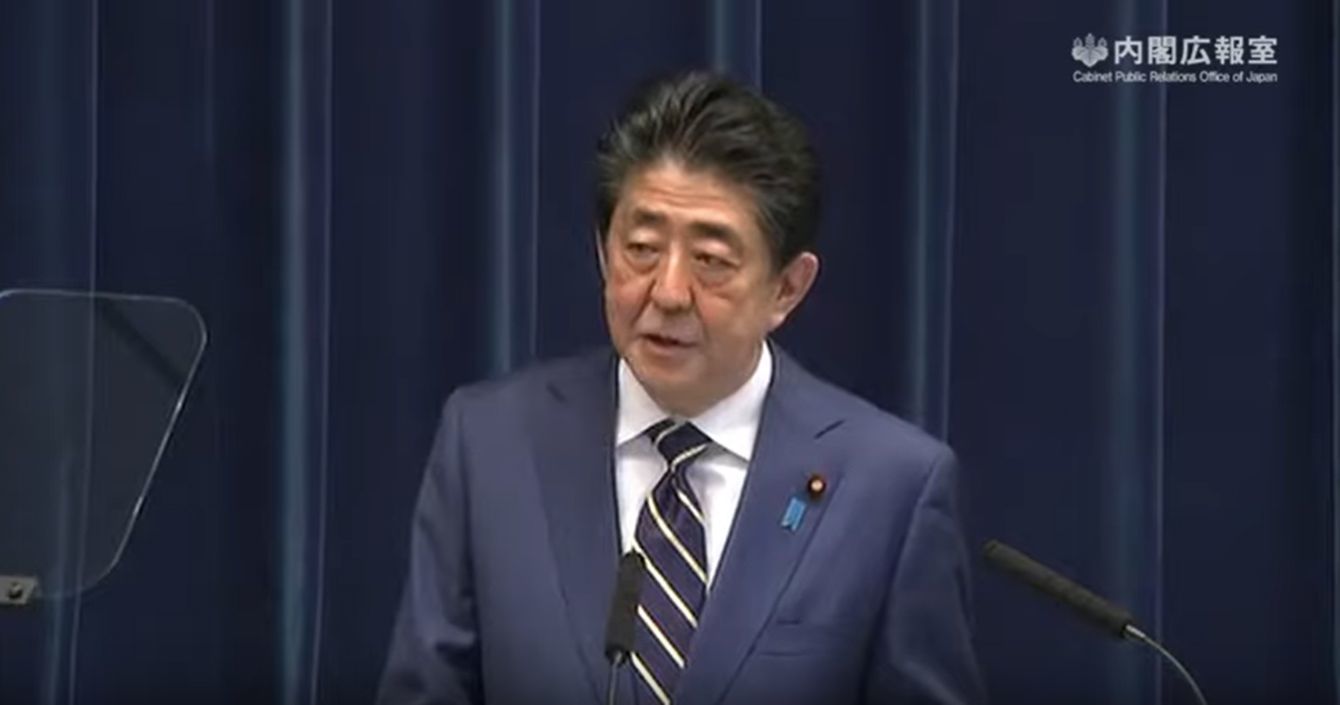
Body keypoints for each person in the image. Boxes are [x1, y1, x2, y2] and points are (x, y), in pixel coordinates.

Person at [378, 70, 984, 705]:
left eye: (711, 262)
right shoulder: (490, 444)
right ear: (602, 251)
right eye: (641, 248)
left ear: (787, 288)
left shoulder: (892, 489)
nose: (667, 293)